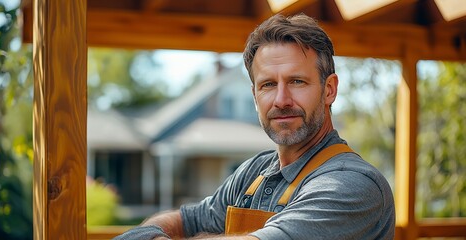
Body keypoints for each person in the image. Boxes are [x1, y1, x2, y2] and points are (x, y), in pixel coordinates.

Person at [114, 13, 395, 240]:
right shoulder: (253, 173)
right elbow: (185, 220)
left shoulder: (354, 184)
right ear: (254, 95)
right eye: (268, 85)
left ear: (329, 90)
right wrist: (153, 234)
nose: (281, 100)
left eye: (297, 81)